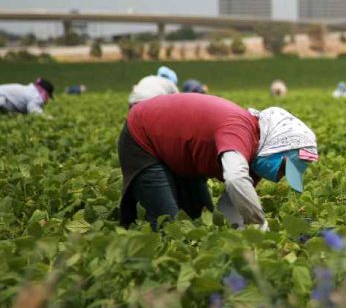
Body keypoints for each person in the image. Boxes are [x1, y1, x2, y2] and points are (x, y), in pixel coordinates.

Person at [117, 94, 318, 229]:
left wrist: (243, 237)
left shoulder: (255, 160)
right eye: (284, 169)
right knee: (168, 223)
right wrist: (259, 225)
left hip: (181, 156)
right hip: (143, 137)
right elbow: (235, 179)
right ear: (276, 147)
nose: (280, 177)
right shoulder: (240, 130)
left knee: (201, 219)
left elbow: (230, 208)